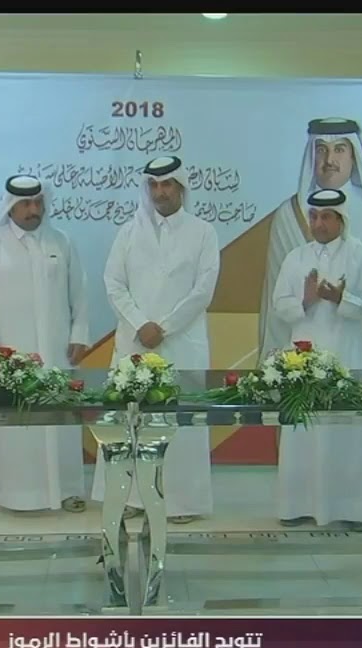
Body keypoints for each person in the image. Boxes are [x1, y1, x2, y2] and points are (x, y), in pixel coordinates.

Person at [260, 118, 362, 467]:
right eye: (321, 150)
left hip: (359, 351)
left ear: (354, 155)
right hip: (302, 354)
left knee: (352, 446)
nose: (330, 160)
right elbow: (276, 303)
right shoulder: (290, 215)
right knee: (305, 447)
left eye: (340, 149)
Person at [92, 156, 219, 524]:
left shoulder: (203, 232)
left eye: (167, 184)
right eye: (154, 185)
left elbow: (203, 290)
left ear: (181, 187)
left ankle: (182, 501)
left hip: (182, 342)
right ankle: (129, 497)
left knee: (181, 421)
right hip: (135, 342)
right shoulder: (128, 233)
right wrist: (139, 323)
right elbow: (113, 283)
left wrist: (163, 327)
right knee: (131, 421)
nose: (160, 192)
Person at [0, 175, 90, 513]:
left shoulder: (61, 241)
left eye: (37, 203)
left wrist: (79, 334)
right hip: (11, 357)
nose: (33, 210)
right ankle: (20, 495)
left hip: (58, 353)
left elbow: (79, 293)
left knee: (60, 422)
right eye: (25, 203)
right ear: (10, 206)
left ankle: (68, 490)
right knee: (17, 430)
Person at [271, 189, 362, 530]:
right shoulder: (296, 257)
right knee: (303, 433)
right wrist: (305, 300)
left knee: (344, 433)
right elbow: (279, 304)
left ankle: (352, 509)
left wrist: (342, 299)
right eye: (314, 217)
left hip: (345, 356)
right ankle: (297, 506)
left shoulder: (361, 256)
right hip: (303, 359)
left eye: (325, 217)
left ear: (341, 220)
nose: (318, 224)